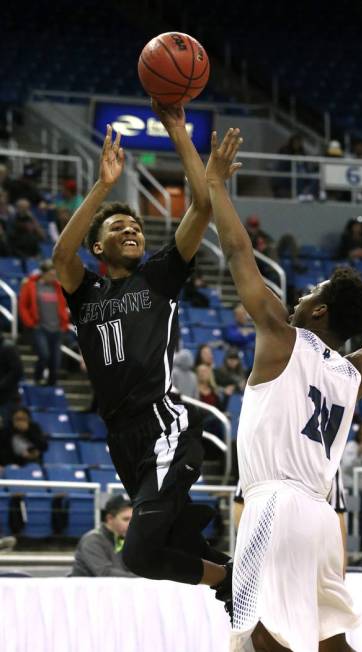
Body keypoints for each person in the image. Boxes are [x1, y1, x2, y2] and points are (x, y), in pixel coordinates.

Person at [206, 128, 362, 651]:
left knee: (263, 631)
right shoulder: (355, 371)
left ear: (320, 311)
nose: (300, 296)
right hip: (319, 517)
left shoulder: (281, 338)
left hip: (276, 503)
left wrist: (217, 185)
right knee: (327, 637)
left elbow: (239, 253)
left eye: (310, 293)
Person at [52, 105, 230, 606]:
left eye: (136, 226)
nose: (131, 229)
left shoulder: (159, 277)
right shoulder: (85, 291)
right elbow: (61, 257)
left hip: (163, 423)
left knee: (137, 554)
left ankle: (229, 581)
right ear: (97, 247)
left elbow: (201, 204)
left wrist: (176, 128)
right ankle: (229, 573)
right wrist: (104, 188)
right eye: (117, 228)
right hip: (120, 436)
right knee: (156, 554)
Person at [19, 259, 69, 386]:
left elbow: (62, 307)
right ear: (44, 273)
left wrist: (63, 325)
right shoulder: (31, 285)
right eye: (51, 274)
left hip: (57, 329)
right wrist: (30, 323)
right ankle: (37, 379)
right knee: (44, 355)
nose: (54, 277)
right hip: (40, 327)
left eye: (55, 274)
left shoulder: (57, 287)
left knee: (56, 362)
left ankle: (51, 385)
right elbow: (23, 306)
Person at [71, 494, 136, 577]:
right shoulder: (92, 540)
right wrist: (143, 579)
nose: (132, 524)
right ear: (110, 519)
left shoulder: (128, 539)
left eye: (134, 519)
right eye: (126, 519)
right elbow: (105, 573)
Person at [0, 333, 23, 427]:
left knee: (8, 431)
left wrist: (1, 385)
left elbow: (17, 371)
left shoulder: (8, 347)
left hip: (8, 399)